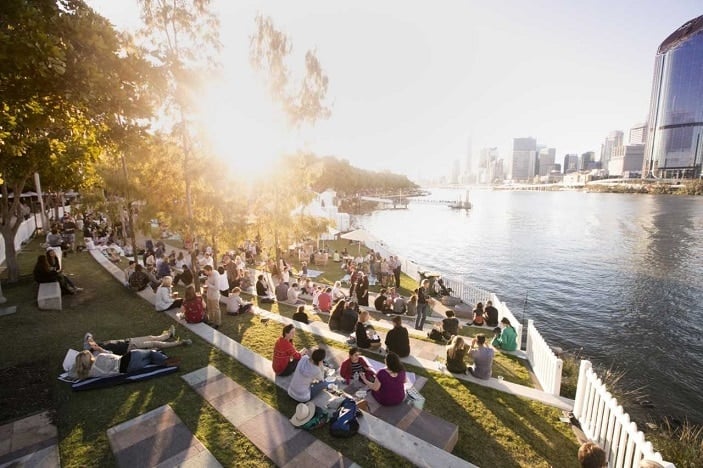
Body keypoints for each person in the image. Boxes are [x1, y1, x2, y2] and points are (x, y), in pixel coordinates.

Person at [73, 348, 178, 379]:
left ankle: (165, 362)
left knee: (150, 359)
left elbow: (72, 374)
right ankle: (166, 360)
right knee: (151, 352)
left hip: (128, 369)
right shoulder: (99, 357)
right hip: (127, 359)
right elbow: (112, 353)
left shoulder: (90, 374)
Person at [83, 327, 190, 355]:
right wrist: (100, 349)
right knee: (155, 343)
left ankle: (168, 335)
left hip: (128, 341)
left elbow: (88, 334)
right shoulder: (98, 354)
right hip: (130, 347)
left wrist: (89, 339)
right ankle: (180, 343)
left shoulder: (89, 347)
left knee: (151, 337)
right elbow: (110, 354)